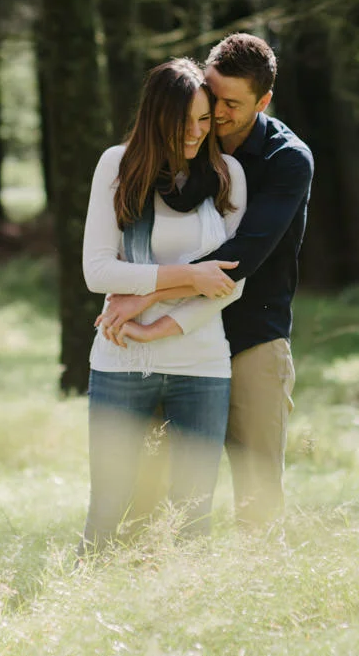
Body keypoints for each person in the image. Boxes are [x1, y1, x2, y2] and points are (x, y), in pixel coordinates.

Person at [98, 34, 312, 525]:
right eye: (212, 96)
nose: (215, 112)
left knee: (258, 497)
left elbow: (240, 259)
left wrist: (142, 294)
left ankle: (257, 576)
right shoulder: (188, 140)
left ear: (263, 102)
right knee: (157, 495)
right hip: (176, 339)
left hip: (252, 338)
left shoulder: (286, 160)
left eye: (232, 104)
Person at [80, 58, 248, 550]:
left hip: (201, 364)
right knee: (109, 509)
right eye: (183, 121)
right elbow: (97, 271)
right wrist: (190, 276)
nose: (196, 132)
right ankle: (86, 597)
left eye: (204, 119)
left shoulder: (227, 175)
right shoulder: (118, 165)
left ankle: (184, 600)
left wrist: (156, 324)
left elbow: (232, 282)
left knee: (192, 516)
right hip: (120, 359)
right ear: (156, 117)